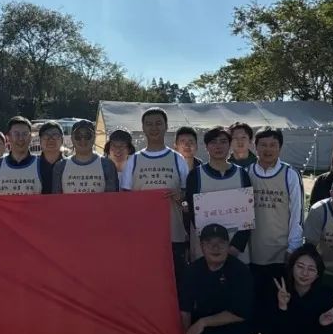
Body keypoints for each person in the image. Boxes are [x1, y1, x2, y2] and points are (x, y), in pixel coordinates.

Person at [247, 127, 305, 334]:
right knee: (255, 300)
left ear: (280, 147)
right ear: (255, 147)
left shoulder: (290, 174)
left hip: (280, 252)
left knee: (277, 301)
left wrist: (293, 247)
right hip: (252, 251)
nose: (268, 149)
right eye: (263, 145)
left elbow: (297, 211)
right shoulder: (247, 172)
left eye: (273, 145)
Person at [179, 224, 254, 334]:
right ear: (201, 246)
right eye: (209, 243)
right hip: (204, 325)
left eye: (221, 243)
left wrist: (203, 322)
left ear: (228, 246)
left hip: (232, 323)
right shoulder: (192, 271)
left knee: (243, 331)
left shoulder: (240, 271)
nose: (215, 247)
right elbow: (185, 310)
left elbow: (241, 313)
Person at [120, 107, 189, 294]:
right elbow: (125, 201)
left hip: (173, 235)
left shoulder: (178, 159)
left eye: (158, 123)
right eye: (149, 124)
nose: (154, 128)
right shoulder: (133, 160)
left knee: (176, 287)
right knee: (146, 287)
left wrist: (181, 198)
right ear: (143, 127)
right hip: (143, 237)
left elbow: (187, 201)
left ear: (166, 126)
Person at [184, 126, 251, 261]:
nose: (218, 146)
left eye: (223, 141)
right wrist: (211, 245)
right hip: (205, 250)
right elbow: (193, 213)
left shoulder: (242, 174)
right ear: (206, 147)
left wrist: (236, 246)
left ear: (230, 145)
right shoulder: (195, 175)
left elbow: (248, 213)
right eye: (213, 142)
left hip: (236, 251)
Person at [0, 116, 48, 195]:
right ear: (8, 137)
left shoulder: (43, 165)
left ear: (30, 137)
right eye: (16, 134)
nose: (21, 138)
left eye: (25, 134)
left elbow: (49, 199)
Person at [52, 119, 118, 193]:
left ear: (94, 137)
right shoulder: (60, 166)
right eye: (78, 136)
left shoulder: (107, 165)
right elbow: (56, 198)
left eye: (87, 136)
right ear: (72, 138)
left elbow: (111, 198)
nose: (83, 140)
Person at [36, 121, 66, 190]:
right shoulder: (33, 165)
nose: (51, 139)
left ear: (62, 140)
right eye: (46, 135)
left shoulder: (69, 164)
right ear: (40, 140)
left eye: (55, 135)